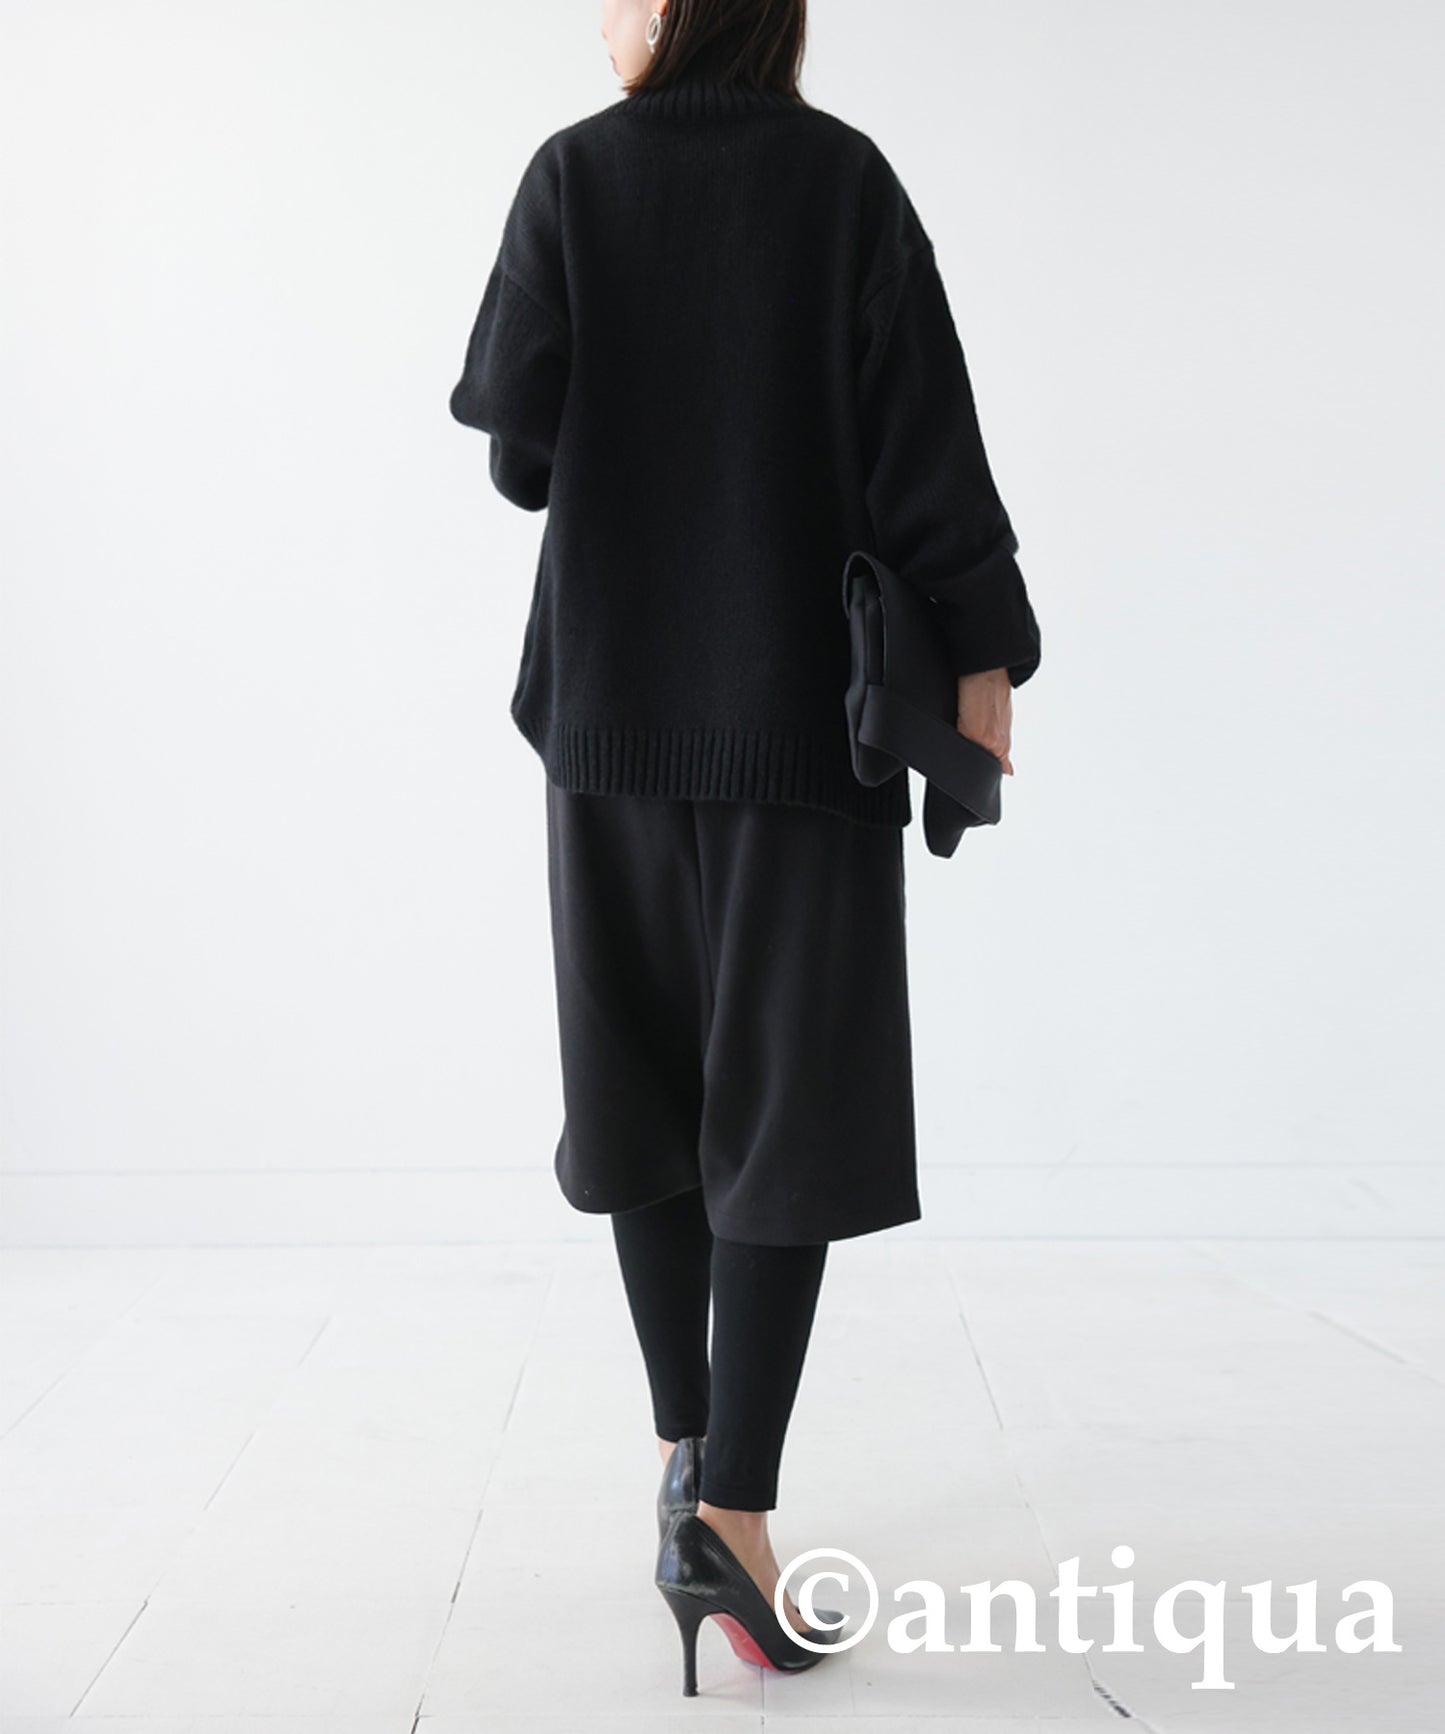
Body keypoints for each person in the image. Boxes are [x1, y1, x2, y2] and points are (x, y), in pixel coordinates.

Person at [447, 0, 1042, 1696]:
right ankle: (732, 1511)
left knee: (641, 1089)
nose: (599, 16)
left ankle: (683, 1457)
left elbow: (517, 445)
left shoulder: (572, 179)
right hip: (799, 725)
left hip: (610, 716)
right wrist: (987, 655)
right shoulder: (842, 183)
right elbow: (926, 451)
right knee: (780, 1103)